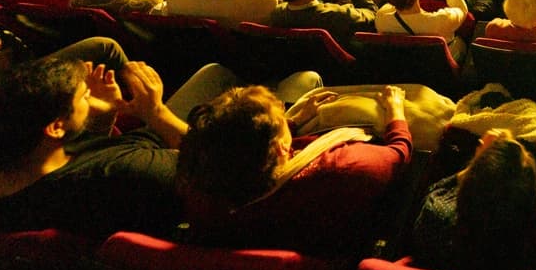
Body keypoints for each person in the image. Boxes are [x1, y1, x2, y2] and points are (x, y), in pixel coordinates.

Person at [177, 84, 412, 258]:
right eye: (282, 116)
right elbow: (399, 153)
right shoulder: (340, 169)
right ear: (281, 148)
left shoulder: (200, 183)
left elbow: (237, 144)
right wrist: (396, 112)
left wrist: (291, 122)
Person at [0, 54, 186, 237]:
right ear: (56, 126)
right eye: (84, 96)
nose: (89, 94)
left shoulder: (19, 165)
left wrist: (103, 116)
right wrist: (157, 112)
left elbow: (83, 159)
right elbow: (209, 165)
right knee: (214, 73)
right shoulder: (126, 171)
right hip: (187, 149)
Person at [411, 128, 536, 270]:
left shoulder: (438, 220)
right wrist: (507, 165)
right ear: (530, 192)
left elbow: (436, 191)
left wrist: (480, 162)